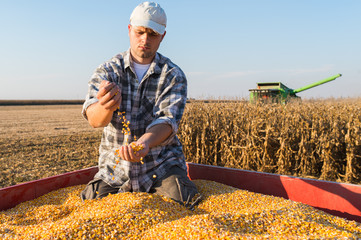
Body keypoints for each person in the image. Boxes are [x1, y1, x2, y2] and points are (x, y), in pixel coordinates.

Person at [80, 2, 201, 209]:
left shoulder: (172, 75)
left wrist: (144, 143)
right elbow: (94, 119)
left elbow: (167, 121)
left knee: (183, 201)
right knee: (90, 204)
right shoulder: (108, 71)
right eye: (140, 32)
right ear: (129, 30)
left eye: (152, 34)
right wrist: (105, 106)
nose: (145, 39)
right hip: (116, 168)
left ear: (162, 37)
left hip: (161, 166)